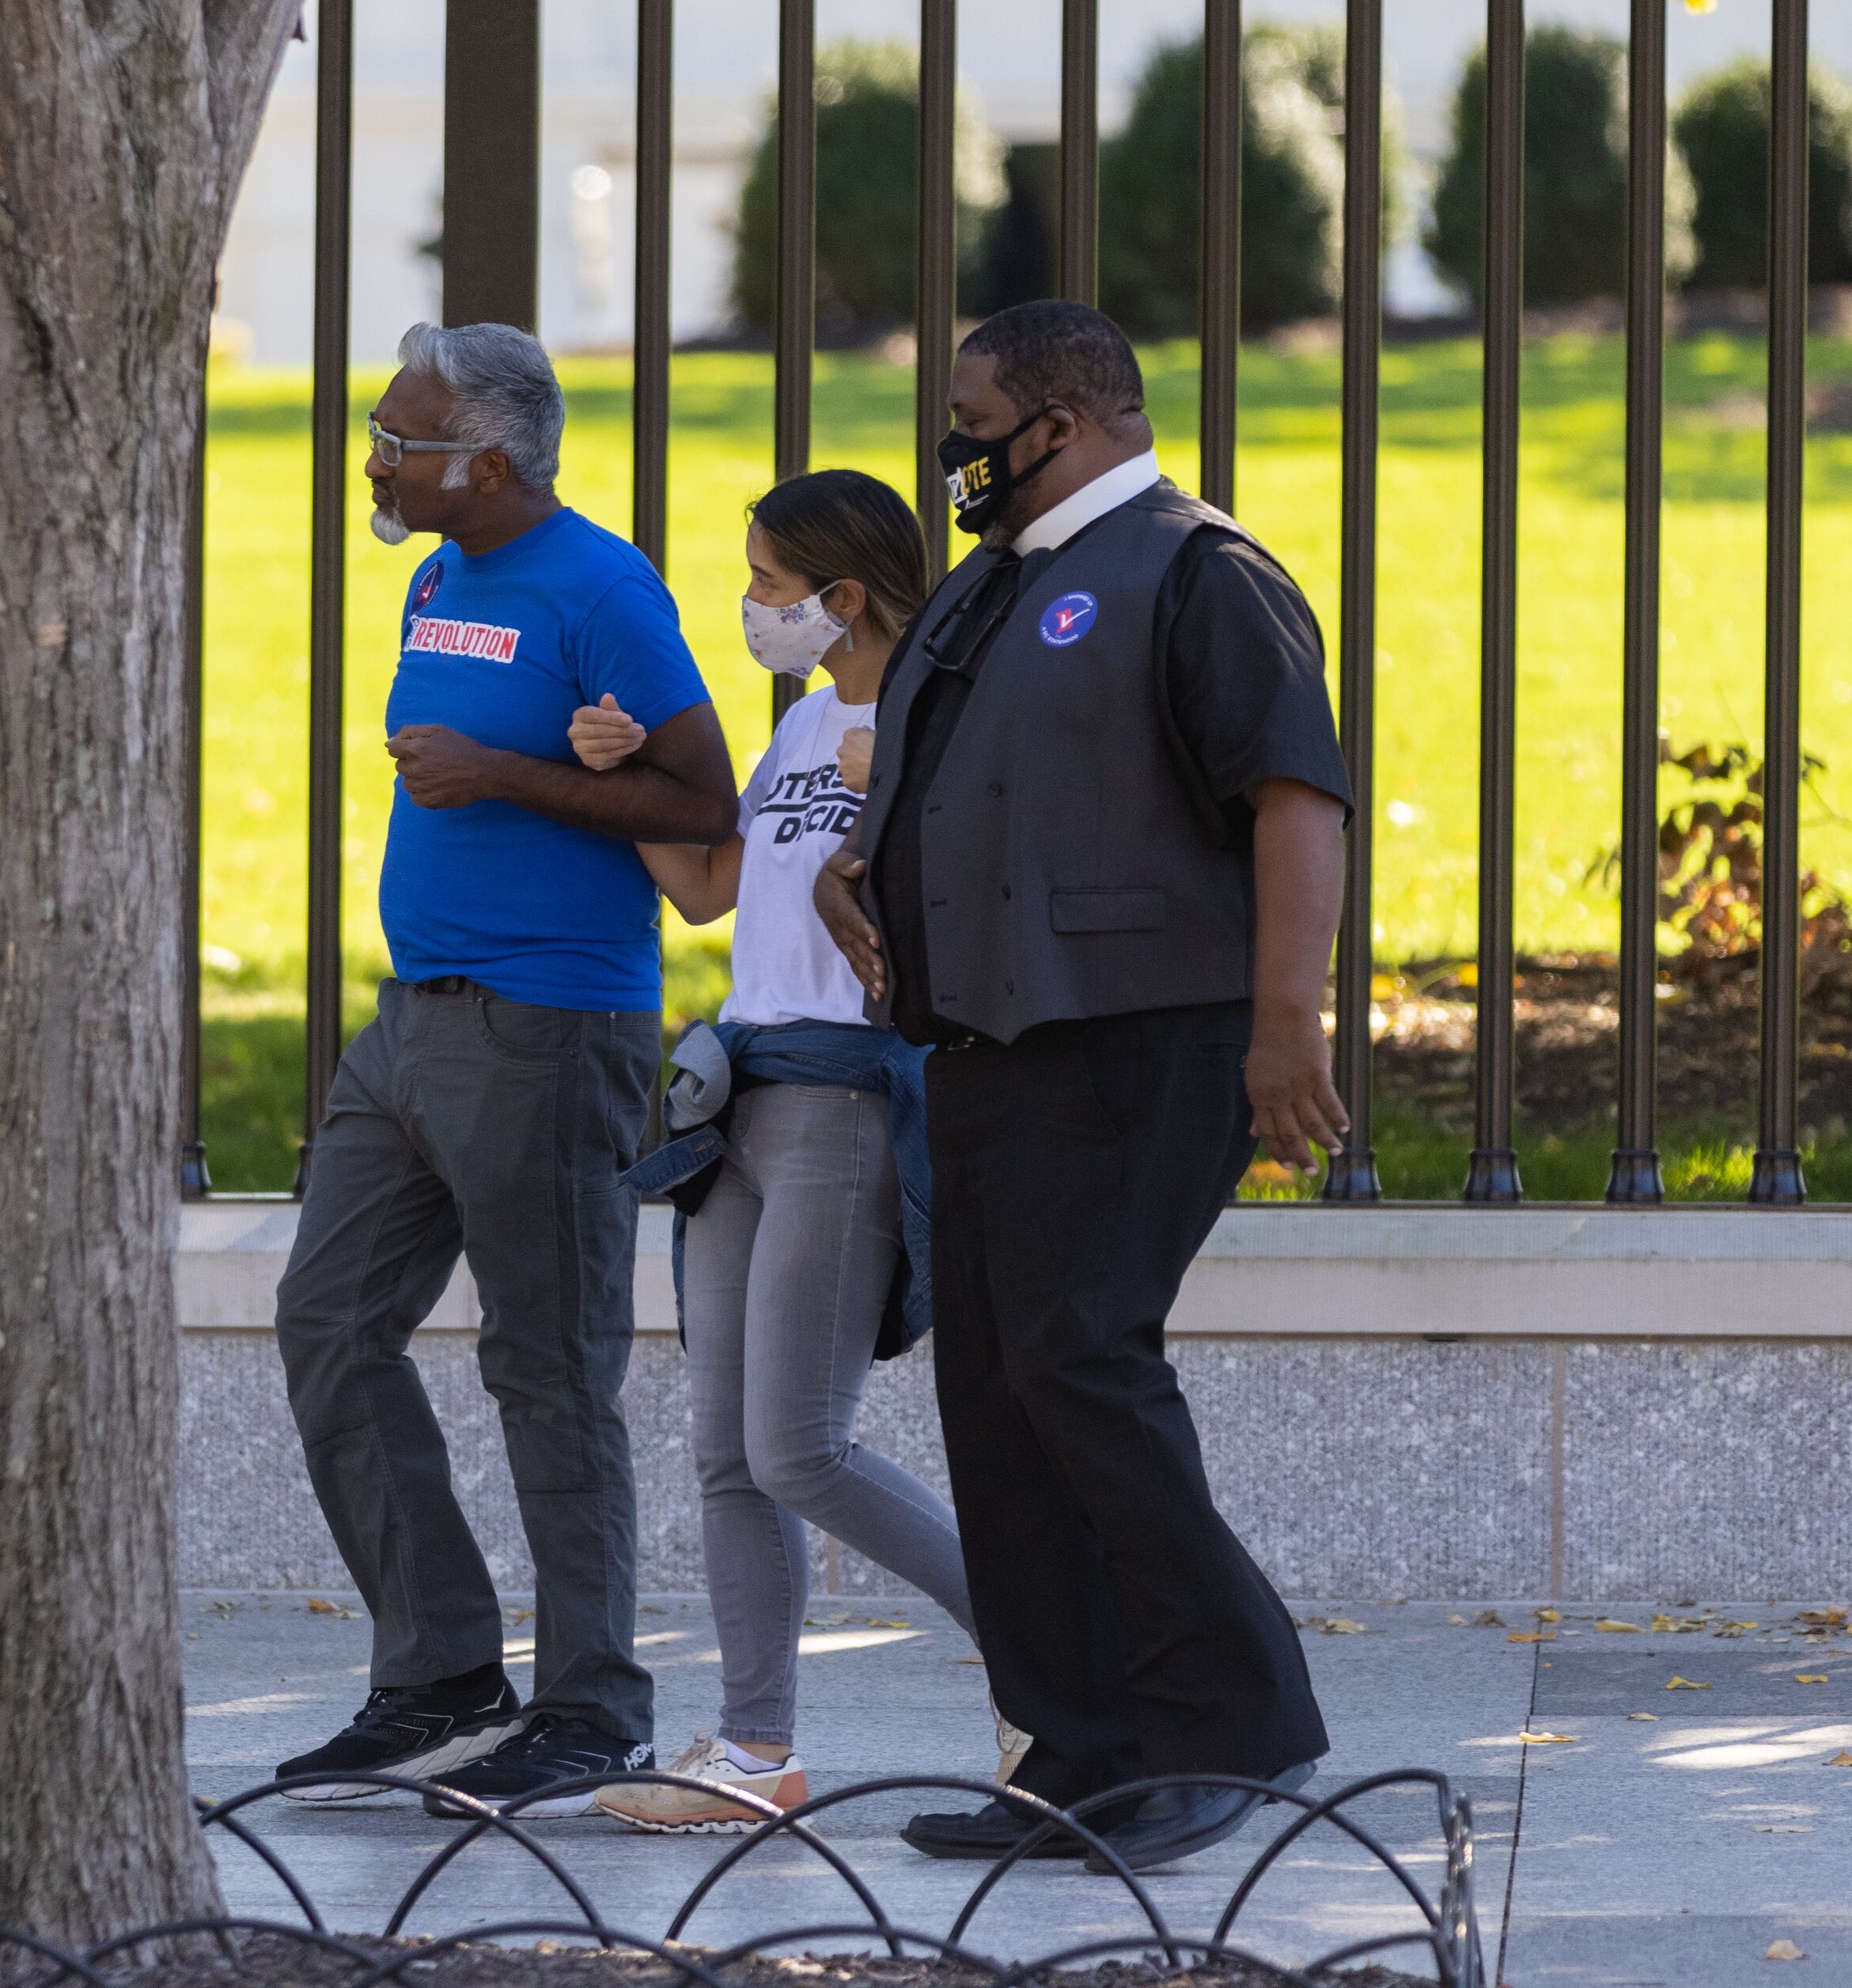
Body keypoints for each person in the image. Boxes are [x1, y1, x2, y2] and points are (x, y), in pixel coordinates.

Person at [816, 300, 1342, 1871]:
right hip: (988, 1045)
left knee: (1081, 1356)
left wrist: (1285, 1022)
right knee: (998, 1387)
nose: (955, 451)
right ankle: (1081, 1745)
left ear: (1066, 419)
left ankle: (1228, 1726)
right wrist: (867, 871)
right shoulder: (995, 586)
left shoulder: (1199, 571)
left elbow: (1297, 797)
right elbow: (956, 780)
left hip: (1147, 1031)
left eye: (974, 420)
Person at [271, 321, 736, 1815]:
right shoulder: (434, 575)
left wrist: (506, 777)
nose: (377, 458)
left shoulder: (604, 587)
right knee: (330, 1322)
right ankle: (442, 1676)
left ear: (488, 458)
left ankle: (594, 1706)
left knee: (549, 1369)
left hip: (550, 1030)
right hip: (410, 1022)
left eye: (400, 438)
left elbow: (705, 798)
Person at [556, 470, 1022, 1835]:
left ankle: (1047, 1660)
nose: (751, 606)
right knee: (724, 1452)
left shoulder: (939, 719)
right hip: (737, 1104)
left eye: (768, 583)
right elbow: (711, 892)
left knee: (800, 1449)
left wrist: (898, 797)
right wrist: (627, 776)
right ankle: (755, 1755)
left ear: (844, 595)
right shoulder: (805, 724)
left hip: (845, 1099)